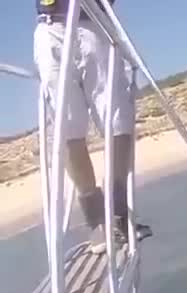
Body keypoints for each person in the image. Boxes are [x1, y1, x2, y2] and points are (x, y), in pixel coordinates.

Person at [33, 0, 151, 246]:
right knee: (66, 128)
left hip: (93, 24)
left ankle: (118, 211)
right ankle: (97, 221)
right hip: (50, 28)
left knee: (118, 119)